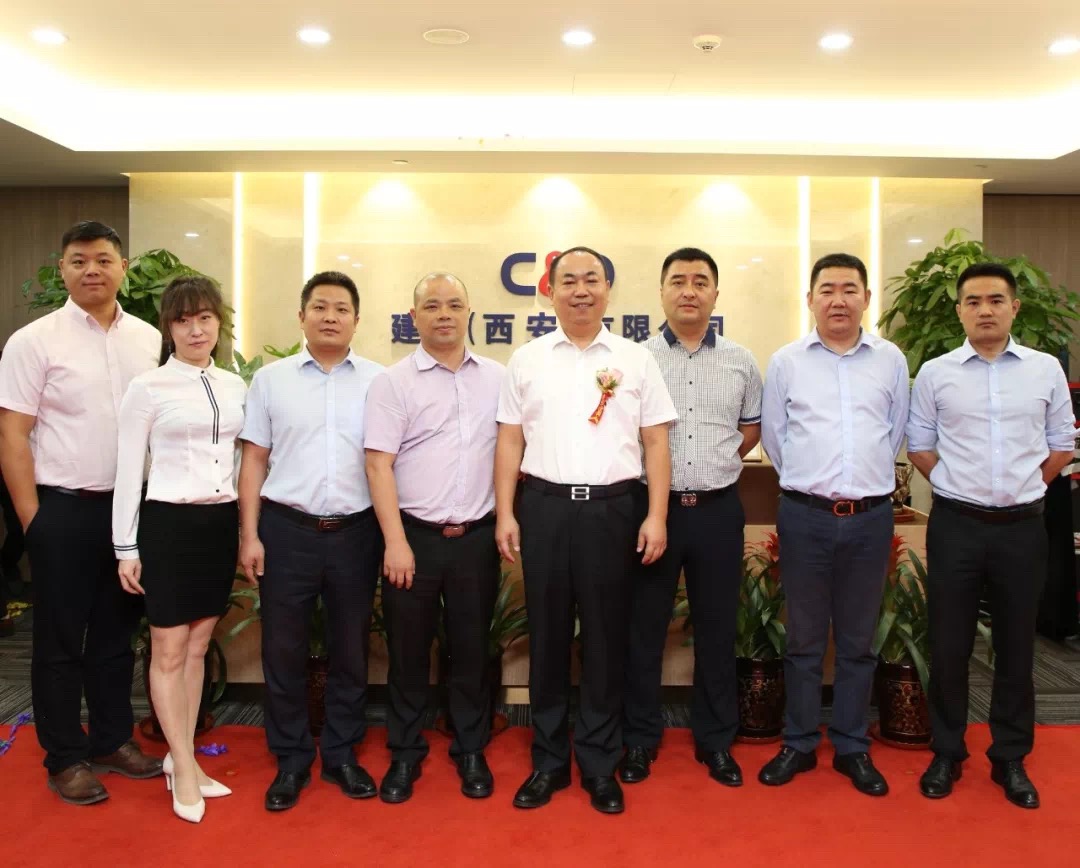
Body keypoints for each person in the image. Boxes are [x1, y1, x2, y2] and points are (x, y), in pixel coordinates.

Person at [495, 246, 677, 814]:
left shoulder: (636, 359)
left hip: (613, 510)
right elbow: (509, 441)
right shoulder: (527, 359)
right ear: (549, 291)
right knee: (547, 638)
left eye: (591, 279)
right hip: (544, 508)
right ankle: (548, 762)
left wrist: (656, 514)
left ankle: (599, 763)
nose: (580, 290)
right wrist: (505, 512)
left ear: (607, 290)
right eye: (568, 280)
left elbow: (656, 442)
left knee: (604, 639)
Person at [0, 220, 163, 804]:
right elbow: (12, 434)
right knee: (60, 640)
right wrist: (33, 521)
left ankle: (112, 740)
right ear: (62, 269)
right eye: (78, 260)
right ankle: (65, 755)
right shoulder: (33, 341)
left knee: (117, 636)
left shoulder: (149, 339)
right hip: (63, 511)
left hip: (130, 512)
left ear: (123, 267)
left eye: (102, 259)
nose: (91, 270)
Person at [907, 262, 1075, 809]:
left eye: (996, 300)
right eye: (974, 301)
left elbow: (1062, 444)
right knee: (949, 644)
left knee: (1017, 645)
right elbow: (919, 445)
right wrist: (958, 486)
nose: (985, 310)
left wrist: (1025, 486)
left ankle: (1010, 757)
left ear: (1014, 308)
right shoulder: (936, 372)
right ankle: (947, 750)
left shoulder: (1045, 370)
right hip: (956, 525)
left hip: (1022, 528)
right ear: (959, 310)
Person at [759, 252, 908, 796]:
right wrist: (812, 484)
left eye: (849, 289)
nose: (838, 299)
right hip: (805, 516)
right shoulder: (786, 362)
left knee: (858, 640)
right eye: (827, 289)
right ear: (810, 299)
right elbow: (775, 437)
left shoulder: (891, 360)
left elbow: (894, 433)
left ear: (866, 298)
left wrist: (860, 482)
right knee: (802, 638)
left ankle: (850, 746)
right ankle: (799, 742)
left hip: (870, 518)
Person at [238, 270, 384, 812]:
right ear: (301, 316)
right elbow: (253, 461)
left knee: (351, 648)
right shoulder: (270, 380)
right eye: (320, 307)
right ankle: (292, 758)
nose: (330, 317)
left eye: (341, 309)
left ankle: (342, 753)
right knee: (283, 649)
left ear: (356, 321)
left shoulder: (379, 381)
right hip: (287, 530)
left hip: (356, 532)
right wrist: (249, 534)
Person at [620, 247, 762, 787]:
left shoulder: (741, 360)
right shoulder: (636, 359)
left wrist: (714, 463)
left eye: (700, 281)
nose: (689, 291)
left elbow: (749, 430)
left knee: (718, 628)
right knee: (643, 628)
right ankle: (640, 738)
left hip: (718, 511)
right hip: (650, 512)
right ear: (661, 292)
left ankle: (716, 741)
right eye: (678, 281)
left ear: (715, 294)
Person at [365, 272, 505, 803]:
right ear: (414, 316)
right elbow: (378, 465)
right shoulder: (393, 382)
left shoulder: (497, 378)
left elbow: (512, 453)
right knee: (407, 652)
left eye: (453, 304)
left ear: (469, 312)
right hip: (414, 539)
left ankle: (470, 748)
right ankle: (405, 752)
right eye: (431, 306)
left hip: (476, 537)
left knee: (471, 649)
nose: (443, 314)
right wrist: (395, 542)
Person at [112, 277, 246, 823]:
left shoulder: (235, 386)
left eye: (205, 318)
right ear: (169, 328)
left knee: (197, 648)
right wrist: (125, 545)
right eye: (183, 320)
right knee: (168, 650)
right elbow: (128, 470)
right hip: (167, 525)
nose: (196, 330)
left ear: (218, 323)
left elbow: (241, 461)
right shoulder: (148, 388)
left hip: (219, 525)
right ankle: (185, 768)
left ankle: (180, 755)